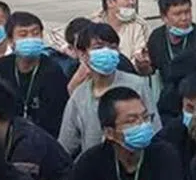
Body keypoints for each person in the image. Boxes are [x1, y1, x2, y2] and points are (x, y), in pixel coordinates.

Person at [59, 24, 156, 155]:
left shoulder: (137, 85)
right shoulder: (79, 96)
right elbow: (66, 144)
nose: (107, 52)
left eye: (113, 47)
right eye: (99, 47)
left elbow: (155, 129)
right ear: (83, 54)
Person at [0, 12, 70, 139]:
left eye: (35, 33)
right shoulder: (1, 68)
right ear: (11, 40)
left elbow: (58, 117)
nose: (30, 39)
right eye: (23, 35)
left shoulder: (53, 71)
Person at [90, 0, 151, 76]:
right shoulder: (93, 22)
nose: (132, 2)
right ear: (110, 2)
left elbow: (140, 56)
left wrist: (141, 63)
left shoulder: (139, 25)